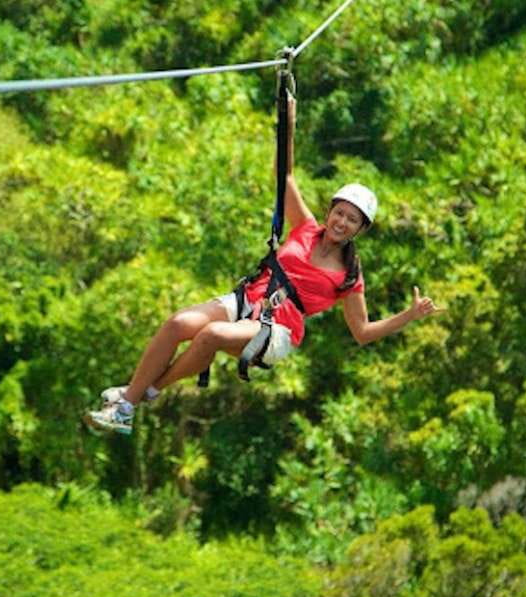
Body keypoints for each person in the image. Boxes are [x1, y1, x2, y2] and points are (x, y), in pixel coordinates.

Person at [83, 98, 440, 435]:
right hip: (248, 300)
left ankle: (132, 401)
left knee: (211, 335)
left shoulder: (349, 275)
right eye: (340, 213)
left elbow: (361, 332)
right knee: (179, 323)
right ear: (330, 211)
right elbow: (284, 176)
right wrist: (288, 123)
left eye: (352, 220)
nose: (342, 222)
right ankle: (134, 395)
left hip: (278, 330)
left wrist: (409, 315)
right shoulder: (305, 227)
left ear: (361, 230)